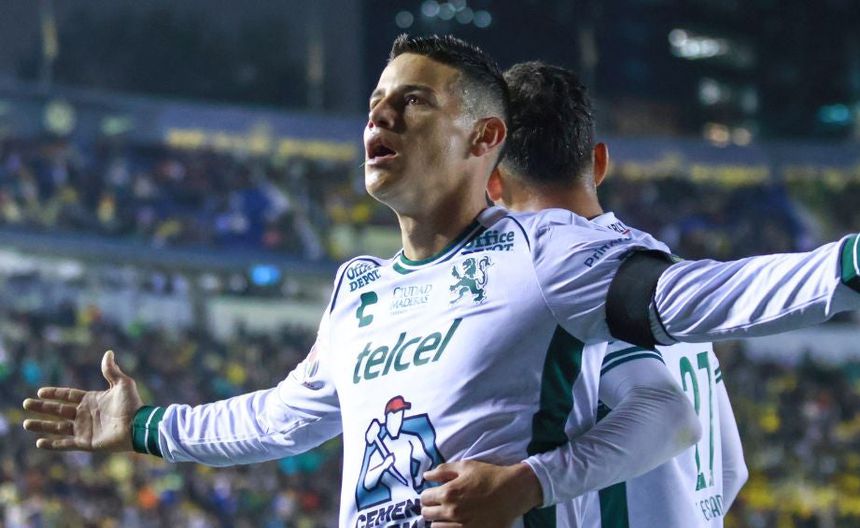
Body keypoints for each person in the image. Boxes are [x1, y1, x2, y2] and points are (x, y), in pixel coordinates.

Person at [22, 35, 859, 528]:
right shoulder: (359, 291)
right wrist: (147, 428)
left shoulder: (547, 252)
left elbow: (699, 303)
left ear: (485, 139)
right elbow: (279, 417)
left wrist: (848, 264)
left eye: (414, 101)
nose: (379, 115)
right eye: (377, 100)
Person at [488, 60, 749, 527]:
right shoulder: (664, 269)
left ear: (492, 184)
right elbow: (731, 469)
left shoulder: (556, 291)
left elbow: (670, 417)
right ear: (600, 163)